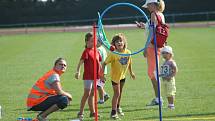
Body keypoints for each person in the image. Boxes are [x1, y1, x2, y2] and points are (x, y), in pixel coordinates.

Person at [136, 0, 166, 106]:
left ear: (153, 4)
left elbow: (152, 33)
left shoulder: (153, 14)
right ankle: (158, 98)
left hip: (152, 47)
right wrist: (144, 26)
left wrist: (145, 47)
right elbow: (154, 28)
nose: (147, 7)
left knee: (152, 73)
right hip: (158, 46)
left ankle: (158, 99)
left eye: (148, 5)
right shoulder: (160, 14)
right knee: (153, 72)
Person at [102, 33, 135, 119]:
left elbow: (129, 63)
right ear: (114, 44)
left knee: (120, 93)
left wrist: (131, 72)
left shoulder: (128, 52)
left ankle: (118, 107)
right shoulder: (113, 54)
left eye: (121, 41)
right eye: (117, 41)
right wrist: (101, 74)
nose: (119, 43)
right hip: (115, 77)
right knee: (117, 94)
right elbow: (104, 63)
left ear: (124, 42)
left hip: (123, 76)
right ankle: (113, 112)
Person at [75, 32, 102, 120]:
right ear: (86, 42)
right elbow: (81, 62)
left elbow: (99, 63)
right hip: (88, 76)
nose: (93, 43)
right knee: (87, 93)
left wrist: (101, 73)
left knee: (93, 94)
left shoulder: (97, 51)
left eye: (94, 41)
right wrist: (78, 72)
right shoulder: (86, 51)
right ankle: (81, 112)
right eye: (91, 41)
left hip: (96, 76)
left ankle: (92, 112)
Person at [97, 40, 110, 104]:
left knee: (98, 85)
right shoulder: (103, 48)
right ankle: (105, 95)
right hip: (104, 69)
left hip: (100, 69)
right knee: (99, 84)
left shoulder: (98, 49)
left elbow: (98, 61)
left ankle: (102, 98)